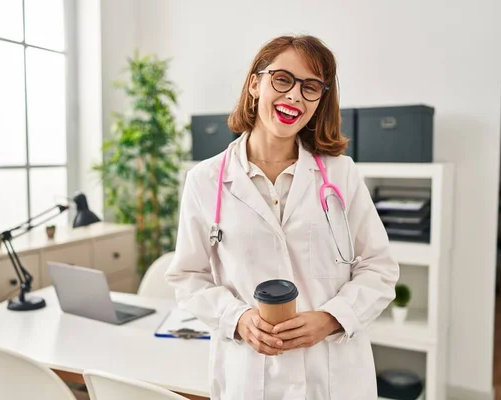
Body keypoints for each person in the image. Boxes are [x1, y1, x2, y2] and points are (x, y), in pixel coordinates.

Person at [165, 35, 400, 399]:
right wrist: (238, 319)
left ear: (320, 100)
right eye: (282, 79)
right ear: (255, 84)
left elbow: (379, 268)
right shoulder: (205, 180)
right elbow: (187, 277)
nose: (294, 96)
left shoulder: (341, 175)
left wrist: (330, 319)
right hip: (249, 375)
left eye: (310, 87)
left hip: (333, 376)